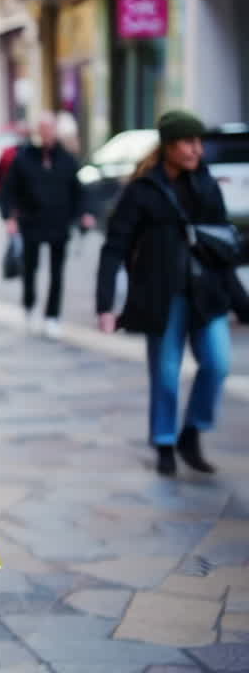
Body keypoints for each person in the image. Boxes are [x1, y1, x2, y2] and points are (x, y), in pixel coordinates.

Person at [96, 110, 240, 477]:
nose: (196, 150)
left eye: (198, 142)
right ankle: (163, 441)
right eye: (188, 142)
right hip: (163, 296)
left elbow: (223, 246)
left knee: (218, 363)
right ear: (169, 146)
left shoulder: (206, 185)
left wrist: (242, 303)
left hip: (207, 293)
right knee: (166, 371)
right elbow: (114, 246)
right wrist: (105, 304)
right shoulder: (142, 191)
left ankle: (191, 432)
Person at [0, 111, 96, 339]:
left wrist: (84, 214)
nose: (46, 133)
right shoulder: (23, 158)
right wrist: (10, 218)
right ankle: (29, 307)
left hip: (59, 223)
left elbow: (78, 190)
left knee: (57, 273)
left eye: (50, 128)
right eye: (42, 129)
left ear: (55, 131)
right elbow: (9, 190)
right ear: (37, 132)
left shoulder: (67, 159)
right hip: (31, 222)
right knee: (30, 269)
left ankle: (53, 316)